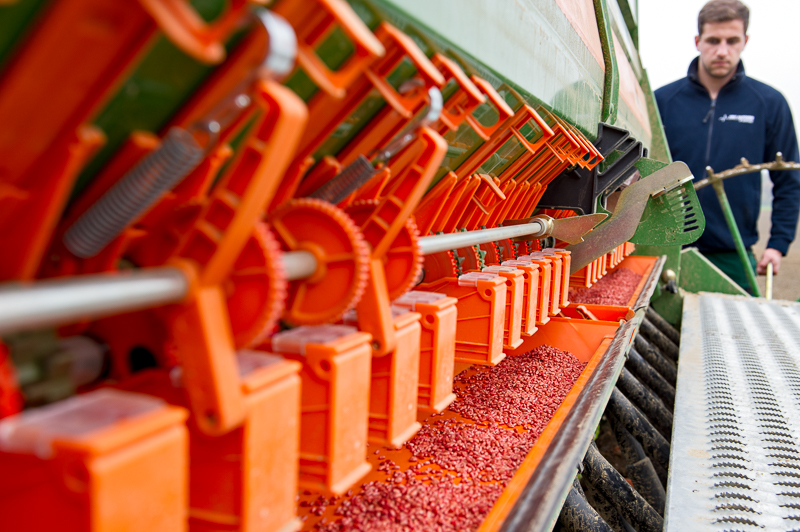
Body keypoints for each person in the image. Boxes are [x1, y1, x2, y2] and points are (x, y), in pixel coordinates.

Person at [654, 0, 800, 292]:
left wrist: (778, 244)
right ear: (698, 41)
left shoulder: (769, 103)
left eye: (732, 41)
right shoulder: (662, 101)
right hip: (668, 251)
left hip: (734, 255)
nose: (722, 51)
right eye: (713, 40)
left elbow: (789, 181)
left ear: (745, 41)